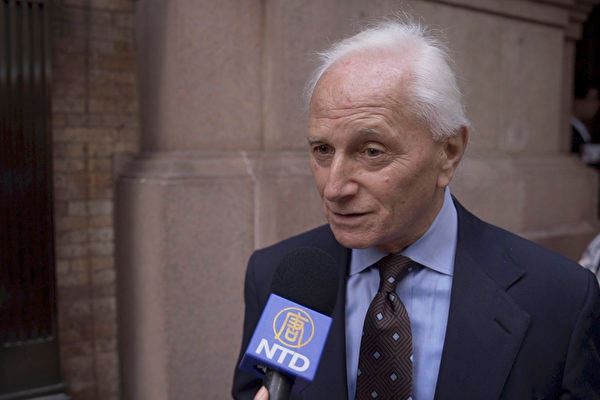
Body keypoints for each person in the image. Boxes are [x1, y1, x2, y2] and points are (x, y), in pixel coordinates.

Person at [232, 20, 600, 400]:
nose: (334, 187)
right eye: (322, 150)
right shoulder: (278, 278)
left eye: (371, 151)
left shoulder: (560, 298)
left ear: (449, 152)